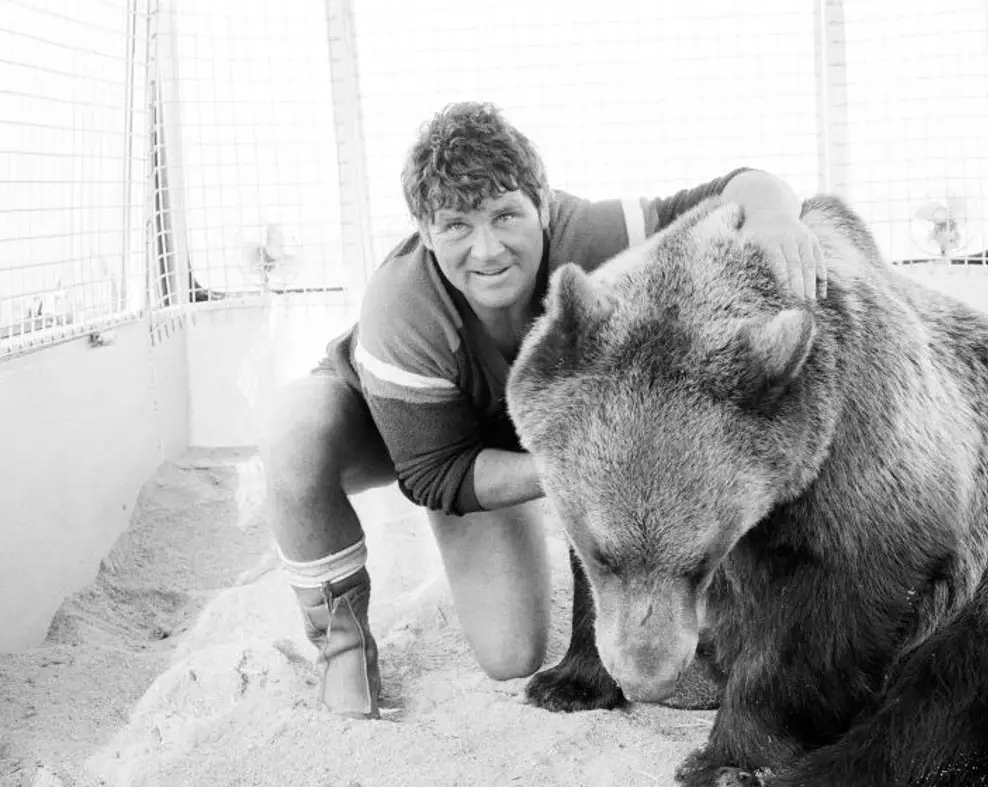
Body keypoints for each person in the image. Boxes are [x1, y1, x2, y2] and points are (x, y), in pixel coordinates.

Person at [260, 101, 827, 718]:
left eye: (506, 215)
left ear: (543, 205)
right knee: (293, 432)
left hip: (520, 439)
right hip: (431, 441)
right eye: (455, 226)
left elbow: (735, 188)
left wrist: (773, 214)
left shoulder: (590, 237)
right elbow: (431, 474)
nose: (486, 249)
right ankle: (343, 647)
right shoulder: (402, 307)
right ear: (425, 233)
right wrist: (586, 472)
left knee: (511, 654)